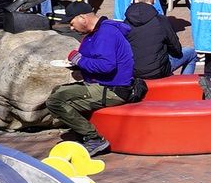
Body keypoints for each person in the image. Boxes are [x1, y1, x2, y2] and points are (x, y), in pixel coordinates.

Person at [46, 9, 141, 155]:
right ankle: (83, 133)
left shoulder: (106, 33)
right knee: (58, 91)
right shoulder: (94, 33)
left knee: (55, 100)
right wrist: (78, 64)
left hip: (113, 89)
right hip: (103, 85)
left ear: (83, 18)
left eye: (72, 24)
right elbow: (94, 60)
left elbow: (106, 66)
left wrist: (78, 59)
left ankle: (94, 138)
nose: (72, 28)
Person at [122, 0, 184, 81]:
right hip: (158, 70)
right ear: (152, 0)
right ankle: (182, 89)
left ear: (134, 0)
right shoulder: (161, 20)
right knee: (191, 54)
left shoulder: (126, 22)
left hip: (134, 70)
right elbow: (176, 48)